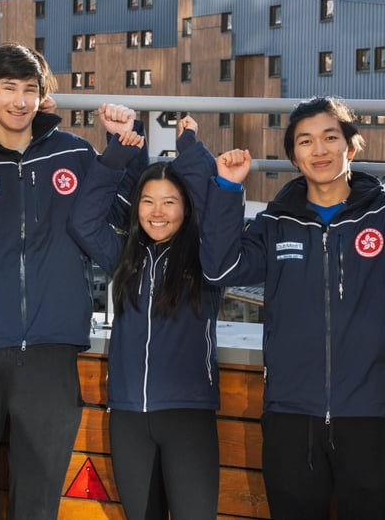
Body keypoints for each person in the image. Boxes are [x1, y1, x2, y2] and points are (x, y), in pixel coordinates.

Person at [0, 44, 146, 520]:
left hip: (50, 347)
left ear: (42, 96)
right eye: (9, 89)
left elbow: (127, 212)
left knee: (37, 501)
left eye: (30, 90)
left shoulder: (73, 153)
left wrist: (126, 143)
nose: (20, 101)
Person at [200, 96, 385, 519]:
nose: (319, 150)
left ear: (352, 147)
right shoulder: (275, 224)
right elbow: (220, 269)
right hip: (291, 411)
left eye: (330, 137)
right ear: (294, 155)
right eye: (305, 141)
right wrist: (229, 188)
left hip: (369, 410)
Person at [69, 115, 222, 519]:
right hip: (129, 416)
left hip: (188, 413)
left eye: (170, 202)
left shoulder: (208, 257)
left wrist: (191, 151)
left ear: (186, 208)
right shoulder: (124, 256)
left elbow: (216, 210)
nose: (158, 212)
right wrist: (115, 158)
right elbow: (83, 222)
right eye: (148, 201)